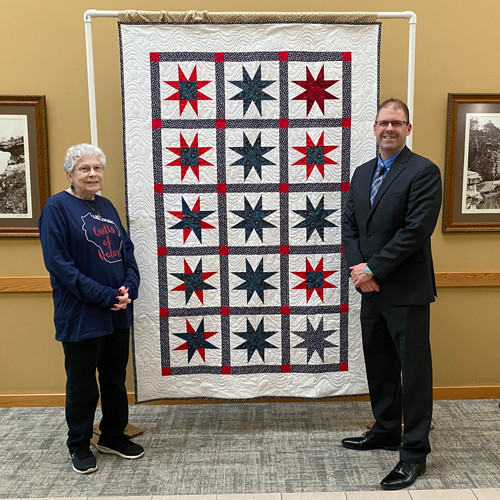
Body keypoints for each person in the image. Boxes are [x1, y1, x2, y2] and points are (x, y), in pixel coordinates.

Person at [341, 99, 442, 490]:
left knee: (414, 373)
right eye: (384, 122)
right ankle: (386, 429)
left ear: (408, 129)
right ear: (374, 127)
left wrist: (373, 268)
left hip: (406, 290)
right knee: (379, 364)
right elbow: (350, 225)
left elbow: (415, 232)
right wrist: (359, 271)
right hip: (371, 290)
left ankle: (414, 451)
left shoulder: (423, 171)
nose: (389, 129)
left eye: (397, 123)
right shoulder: (362, 173)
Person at [39, 144, 144, 474]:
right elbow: (60, 266)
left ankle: (113, 435)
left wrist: (129, 287)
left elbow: (126, 251)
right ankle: (79, 444)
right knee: (83, 384)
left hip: (117, 310)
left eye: (98, 167)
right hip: (82, 314)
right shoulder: (57, 208)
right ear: (70, 173)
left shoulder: (107, 206)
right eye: (84, 168)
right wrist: (104, 295)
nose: (93, 174)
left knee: (114, 379)